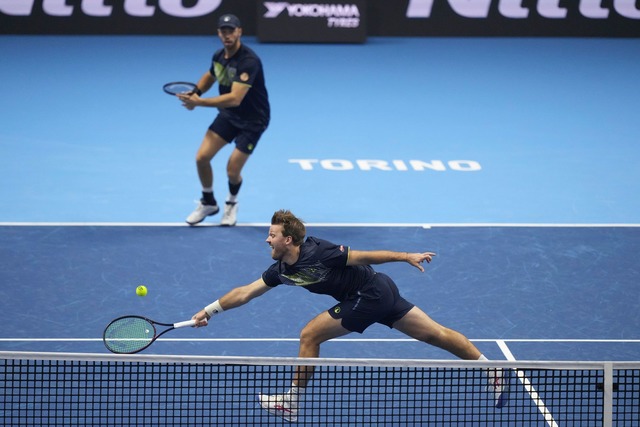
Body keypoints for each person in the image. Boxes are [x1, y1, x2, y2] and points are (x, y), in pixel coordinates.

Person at [191, 210, 507, 422]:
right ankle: (490, 369)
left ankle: (291, 401)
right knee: (433, 334)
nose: (266, 238)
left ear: (288, 239)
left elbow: (365, 255)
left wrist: (405, 256)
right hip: (379, 294)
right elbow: (246, 291)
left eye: (271, 234)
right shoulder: (281, 271)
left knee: (310, 334)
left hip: (369, 293)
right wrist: (209, 310)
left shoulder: (321, 252)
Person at [177, 13, 270, 227]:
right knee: (202, 157)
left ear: (239, 32)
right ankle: (208, 202)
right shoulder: (219, 56)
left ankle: (231, 202)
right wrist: (195, 91)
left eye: (231, 31)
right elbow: (211, 75)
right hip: (229, 116)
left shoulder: (249, 61)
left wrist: (198, 103)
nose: (227, 35)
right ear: (219, 33)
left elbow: (235, 98)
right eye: (223, 31)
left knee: (232, 170)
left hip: (254, 120)